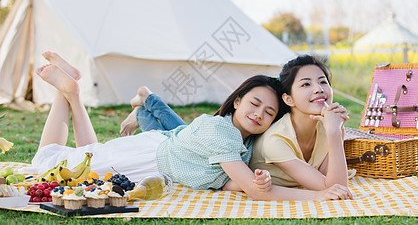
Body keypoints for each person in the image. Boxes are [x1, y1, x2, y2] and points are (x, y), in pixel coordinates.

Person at [29, 51, 334, 201]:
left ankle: (71, 91)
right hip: (146, 159)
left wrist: (257, 184)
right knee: (44, 160)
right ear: (238, 101)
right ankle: (64, 92)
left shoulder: (244, 140)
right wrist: (316, 196)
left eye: (269, 112)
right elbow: (254, 191)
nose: (260, 114)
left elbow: (230, 182)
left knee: (88, 154)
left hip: (154, 153)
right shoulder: (222, 133)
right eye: (255, 104)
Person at [249, 55, 351, 194]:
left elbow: (328, 176)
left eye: (323, 82)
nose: (319, 89)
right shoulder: (275, 140)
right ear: (288, 99)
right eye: (306, 84)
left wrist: (338, 130)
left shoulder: (324, 124)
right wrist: (334, 133)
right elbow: (336, 188)